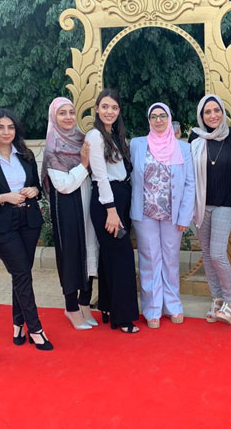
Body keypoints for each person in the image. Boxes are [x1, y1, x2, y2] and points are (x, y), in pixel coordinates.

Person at [0, 109, 52, 350]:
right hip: (1, 225)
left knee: (21, 274)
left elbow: (37, 185)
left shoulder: (25, 155)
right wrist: (2, 197)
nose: (6, 132)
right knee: (22, 273)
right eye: (0, 127)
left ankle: (18, 323)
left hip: (29, 221)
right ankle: (35, 328)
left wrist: (34, 190)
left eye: (10, 127)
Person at [130, 103, 195, 328]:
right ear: (149, 120)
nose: (158, 120)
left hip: (172, 214)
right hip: (145, 212)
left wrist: (185, 216)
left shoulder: (183, 148)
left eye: (162, 116)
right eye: (154, 116)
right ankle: (152, 308)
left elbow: (190, 183)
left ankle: (173, 305)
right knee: (149, 259)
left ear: (169, 119)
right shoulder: (137, 144)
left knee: (170, 259)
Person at [41, 97, 99, 331]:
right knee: (71, 254)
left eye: (71, 112)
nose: (68, 117)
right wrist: (84, 165)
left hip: (87, 202)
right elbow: (63, 185)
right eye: (62, 113)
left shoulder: (82, 140)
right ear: (53, 117)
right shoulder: (52, 148)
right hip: (67, 206)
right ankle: (71, 307)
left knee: (90, 250)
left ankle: (85, 303)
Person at [86, 89, 140, 333]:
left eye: (114, 107)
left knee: (110, 255)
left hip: (121, 197)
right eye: (105, 106)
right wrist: (111, 210)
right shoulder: (95, 136)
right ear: (97, 109)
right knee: (122, 257)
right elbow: (100, 175)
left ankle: (108, 306)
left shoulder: (116, 136)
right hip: (107, 201)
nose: (110, 111)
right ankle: (124, 317)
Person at [189, 94, 231, 325]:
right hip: (201, 204)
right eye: (207, 112)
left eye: (216, 110)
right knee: (208, 255)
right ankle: (217, 299)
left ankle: (230, 302)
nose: (212, 115)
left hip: (226, 202)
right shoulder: (195, 137)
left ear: (223, 112)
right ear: (201, 116)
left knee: (218, 253)